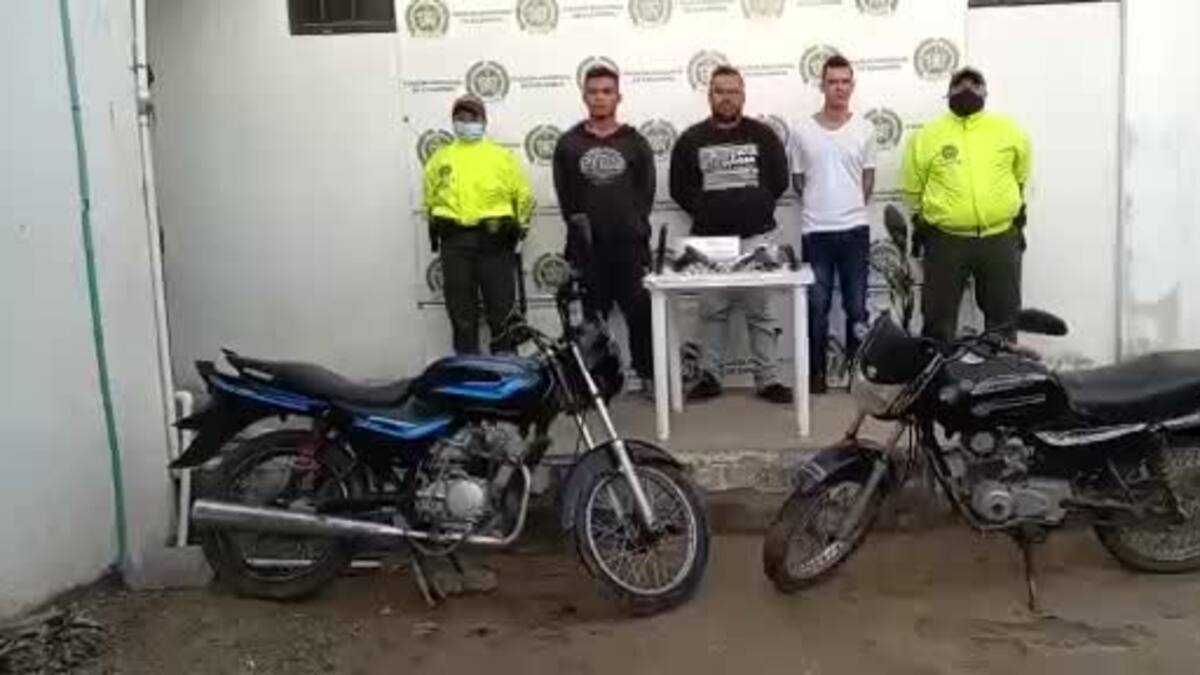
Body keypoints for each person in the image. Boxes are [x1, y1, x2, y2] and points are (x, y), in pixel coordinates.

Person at [669, 65, 793, 404]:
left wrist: (754, 204)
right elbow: (679, 187)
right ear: (710, 95)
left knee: (762, 312)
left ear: (743, 95)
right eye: (720, 91)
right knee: (712, 313)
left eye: (733, 91)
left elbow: (779, 180)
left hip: (758, 237)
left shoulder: (763, 135)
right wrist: (708, 209)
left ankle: (768, 380)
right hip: (710, 241)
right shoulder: (691, 139)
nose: (727, 97)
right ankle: (710, 377)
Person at [902, 67, 1032, 342]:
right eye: (960, 85)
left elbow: (1021, 176)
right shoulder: (927, 136)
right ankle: (938, 369)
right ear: (948, 93)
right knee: (938, 323)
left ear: (986, 92)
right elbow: (914, 190)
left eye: (975, 84)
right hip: (946, 242)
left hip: (1000, 239)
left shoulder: (1008, 130)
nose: (967, 90)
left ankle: (1001, 369)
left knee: (1003, 321)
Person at [553, 66, 657, 396]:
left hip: (629, 247)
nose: (600, 97)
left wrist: (631, 226)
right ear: (584, 97)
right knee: (591, 321)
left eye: (607, 91)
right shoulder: (569, 144)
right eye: (594, 91)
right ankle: (595, 384)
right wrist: (581, 234)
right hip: (587, 249)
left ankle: (648, 377)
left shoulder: (635, 142)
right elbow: (566, 197)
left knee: (641, 314)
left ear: (618, 97)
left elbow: (646, 193)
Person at [791, 54, 876, 395]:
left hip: (855, 230)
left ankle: (856, 376)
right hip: (816, 233)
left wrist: (848, 207)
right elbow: (798, 181)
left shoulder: (865, 129)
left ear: (852, 86)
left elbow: (868, 179)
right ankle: (816, 376)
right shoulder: (801, 130)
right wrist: (822, 205)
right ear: (822, 86)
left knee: (856, 307)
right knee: (816, 306)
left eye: (845, 82)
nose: (839, 88)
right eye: (832, 82)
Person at [424, 94, 535, 354]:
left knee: (502, 314)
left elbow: (523, 196)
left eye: (472, 117)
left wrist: (520, 231)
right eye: (460, 117)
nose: (466, 122)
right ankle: (468, 370)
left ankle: (505, 370)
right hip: (455, 244)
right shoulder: (440, 158)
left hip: (495, 243)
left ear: (483, 121)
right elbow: (429, 199)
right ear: (453, 121)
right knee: (461, 315)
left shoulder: (501, 157)